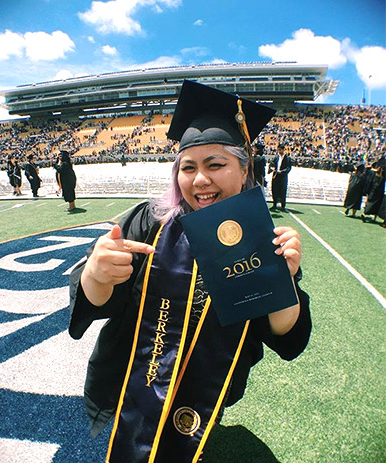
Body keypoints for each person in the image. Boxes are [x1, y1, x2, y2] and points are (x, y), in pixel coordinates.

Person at [68, 80, 311, 463]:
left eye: (216, 165)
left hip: (206, 393)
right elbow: (98, 304)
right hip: (129, 385)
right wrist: (95, 275)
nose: (200, 179)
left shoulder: (265, 240)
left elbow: (284, 335)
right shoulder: (150, 221)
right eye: (188, 167)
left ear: (245, 170)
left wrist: (283, 280)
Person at [268, 143, 292, 211]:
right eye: (278, 150)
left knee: (282, 190)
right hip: (276, 175)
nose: (279, 151)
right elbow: (271, 164)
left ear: (283, 150)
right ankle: (274, 204)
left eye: (280, 150)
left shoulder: (287, 158)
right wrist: (272, 168)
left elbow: (288, 168)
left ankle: (282, 206)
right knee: (274, 189)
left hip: (283, 176)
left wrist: (282, 172)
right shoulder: (276, 157)